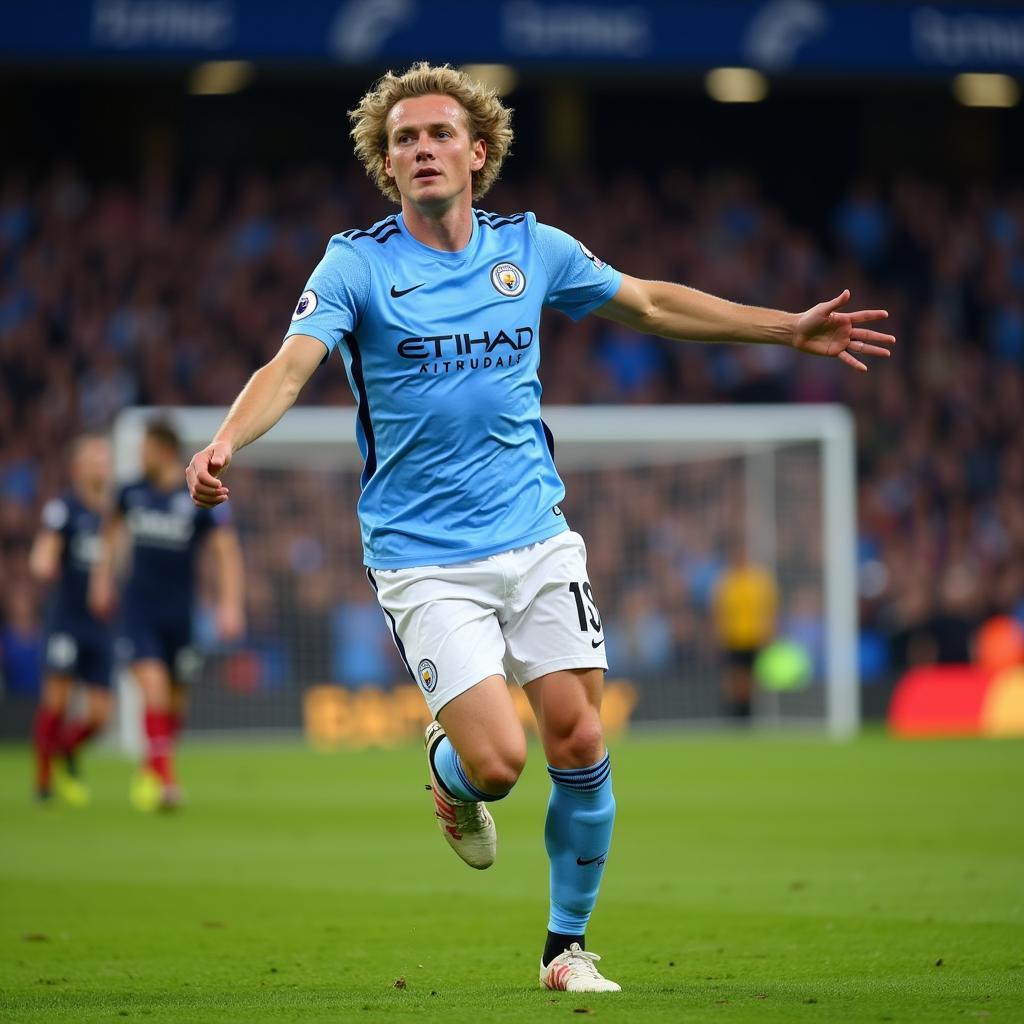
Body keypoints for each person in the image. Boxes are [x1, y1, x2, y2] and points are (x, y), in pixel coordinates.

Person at [185, 63, 894, 992]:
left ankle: (566, 949)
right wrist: (226, 440)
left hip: (535, 536)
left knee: (580, 741)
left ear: (478, 153)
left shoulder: (533, 249)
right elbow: (290, 364)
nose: (423, 149)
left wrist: (781, 329)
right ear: (387, 165)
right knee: (499, 761)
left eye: (439, 134)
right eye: (404, 140)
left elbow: (649, 300)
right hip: (423, 559)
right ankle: (449, 776)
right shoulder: (354, 265)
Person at [91, 419, 245, 811]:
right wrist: (102, 580)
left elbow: (225, 550)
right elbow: (110, 535)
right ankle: (166, 783)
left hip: (180, 613)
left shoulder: (195, 492)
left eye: (145, 445)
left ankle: (152, 766)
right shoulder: (130, 493)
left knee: (176, 704)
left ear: (162, 449)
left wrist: (229, 604)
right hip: (138, 609)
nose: (139, 453)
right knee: (154, 689)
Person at [29, 435, 114, 805]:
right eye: (95, 458)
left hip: (102, 623)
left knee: (100, 715)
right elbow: (45, 549)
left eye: (105, 458)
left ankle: (66, 749)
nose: (102, 465)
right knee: (57, 703)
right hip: (67, 619)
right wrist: (43, 561)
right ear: (78, 467)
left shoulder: (116, 513)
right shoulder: (64, 508)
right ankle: (44, 782)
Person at [712, 541, 779, 719]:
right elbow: (718, 610)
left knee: (752, 682)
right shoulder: (727, 580)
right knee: (735, 680)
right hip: (733, 638)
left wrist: (769, 632)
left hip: (755, 638)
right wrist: (718, 633)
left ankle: (750, 716)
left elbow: (770, 608)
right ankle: (737, 715)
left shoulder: (760, 578)